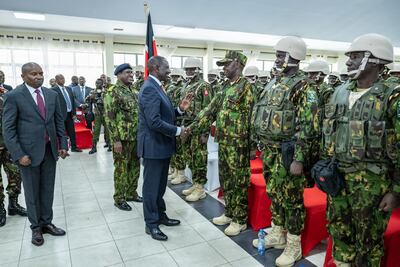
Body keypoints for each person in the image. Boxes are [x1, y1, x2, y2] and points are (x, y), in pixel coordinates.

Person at [321, 33, 400, 267]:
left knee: (368, 240)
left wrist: (396, 191)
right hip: (338, 179)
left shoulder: (392, 95)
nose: (348, 62)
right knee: (338, 230)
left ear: (375, 60)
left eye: (355, 57)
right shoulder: (341, 91)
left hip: (373, 184)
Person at [252, 36, 320, 267]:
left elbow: (309, 126)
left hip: (289, 153)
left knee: (291, 200)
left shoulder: (305, 86)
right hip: (270, 152)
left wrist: (299, 159)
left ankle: (293, 244)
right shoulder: (274, 82)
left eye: (281, 55)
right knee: (274, 193)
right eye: (278, 55)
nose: (277, 59)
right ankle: (278, 232)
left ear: (295, 56)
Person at [186, 50, 254, 236]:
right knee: (226, 180)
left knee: (238, 181)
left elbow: (252, 118)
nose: (223, 68)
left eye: (227, 64)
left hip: (239, 145)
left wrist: (252, 146)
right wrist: (191, 128)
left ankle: (240, 220)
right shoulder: (225, 87)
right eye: (222, 65)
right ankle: (230, 212)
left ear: (238, 64)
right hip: (224, 142)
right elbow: (209, 110)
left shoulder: (246, 87)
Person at [2, 62, 69, 246]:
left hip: (49, 151)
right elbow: (8, 129)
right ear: (23, 76)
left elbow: (58, 122)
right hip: (27, 154)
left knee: (47, 189)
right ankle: (36, 228)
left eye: (40, 73)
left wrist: (62, 144)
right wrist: (18, 154)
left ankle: (47, 222)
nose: (39, 76)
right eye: (33, 74)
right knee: (31, 192)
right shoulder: (14, 96)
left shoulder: (51, 94)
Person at [138, 56, 192, 241]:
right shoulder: (149, 89)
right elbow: (154, 122)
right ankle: (151, 223)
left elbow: (163, 113)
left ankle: (160, 215)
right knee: (151, 188)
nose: (169, 71)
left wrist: (179, 110)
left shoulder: (157, 86)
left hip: (161, 146)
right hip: (154, 146)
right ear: (155, 68)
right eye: (166, 68)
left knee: (160, 186)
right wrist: (178, 130)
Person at [172, 57, 212, 203]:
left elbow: (208, 111)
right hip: (186, 127)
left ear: (198, 69)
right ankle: (195, 184)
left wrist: (205, 132)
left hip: (198, 128)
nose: (189, 71)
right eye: (187, 69)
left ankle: (200, 188)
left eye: (191, 69)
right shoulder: (186, 86)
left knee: (199, 158)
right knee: (190, 158)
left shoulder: (204, 86)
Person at [104, 64, 143, 211]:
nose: (131, 75)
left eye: (131, 72)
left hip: (136, 136)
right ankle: (119, 198)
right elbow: (109, 118)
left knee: (135, 166)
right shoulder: (112, 92)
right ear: (119, 75)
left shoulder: (134, 91)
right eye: (128, 72)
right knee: (121, 169)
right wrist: (115, 140)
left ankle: (131, 193)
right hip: (122, 138)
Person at [0, 86, 27, 227]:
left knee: (15, 174)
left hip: (9, 144)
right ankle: (0, 210)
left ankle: (13, 205)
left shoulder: (8, 94)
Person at [52, 74, 82, 152]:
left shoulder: (69, 89)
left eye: (63, 78)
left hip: (70, 114)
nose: (62, 79)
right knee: (61, 133)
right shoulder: (53, 90)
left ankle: (74, 147)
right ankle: (63, 149)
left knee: (72, 131)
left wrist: (74, 114)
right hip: (60, 115)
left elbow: (72, 101)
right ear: (56, 80)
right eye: (60, 78)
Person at [166, 68, 186, 180]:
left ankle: (181, 172)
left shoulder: (182, 88)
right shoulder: (171, 87)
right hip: (173, 118)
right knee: (174, 147)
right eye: (172, 76)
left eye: (176, 76)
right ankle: (175, 169)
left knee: (179, 149)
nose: (174, 78)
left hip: (180, 119)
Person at [87, 78, 108, 154]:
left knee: (108, 129)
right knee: (96, 130)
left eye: (99, 83)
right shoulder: (92, 92)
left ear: (102, 84)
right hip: (97, 113)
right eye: (96, 83)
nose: (97, 84)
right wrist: (89, 110)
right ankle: (94, 146)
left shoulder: (106, 91)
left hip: (106, 113)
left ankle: (109, 143)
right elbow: (87, 101)